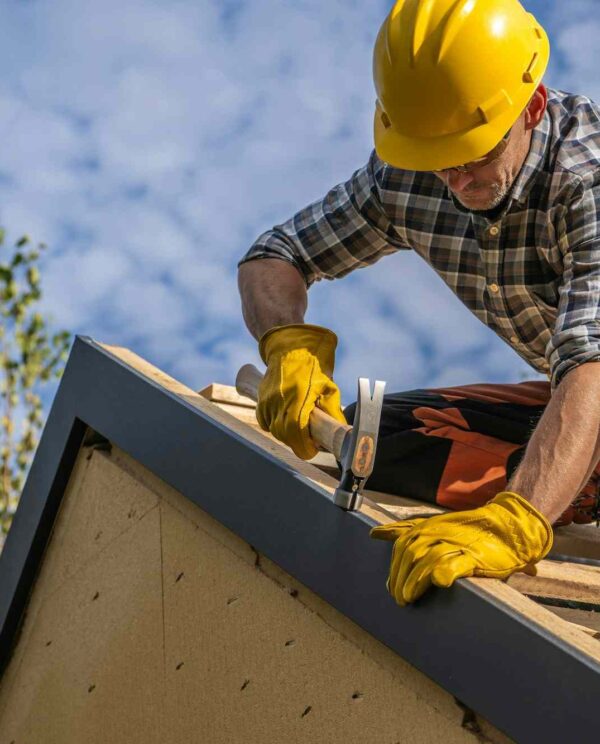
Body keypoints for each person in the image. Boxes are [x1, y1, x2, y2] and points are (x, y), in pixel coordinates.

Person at [237, 0, 600, 606]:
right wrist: (287, 348)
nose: (455, 179)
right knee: (389, 439)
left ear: (532, 106)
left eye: (476, 152)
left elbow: (591, 362)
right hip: (579, 394)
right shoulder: (406, 175)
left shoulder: (585, 181)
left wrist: (519, 517)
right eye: (435, 158)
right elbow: (274, 255)